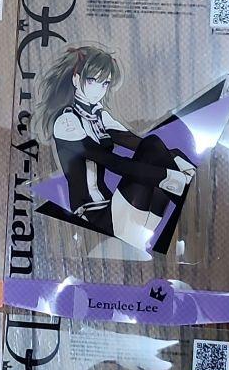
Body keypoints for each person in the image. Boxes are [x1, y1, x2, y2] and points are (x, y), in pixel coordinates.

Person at [35, 45, 196, 251]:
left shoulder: (99, 115)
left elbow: (143, 146)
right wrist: (172, 177)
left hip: (120, 212)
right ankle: (188, 195)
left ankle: (189, 190)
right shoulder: (67, 122)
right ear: (76, 79)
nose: (99, 90)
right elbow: (113, 163)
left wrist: (178, 162)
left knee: (153, 145)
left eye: (105, 83)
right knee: (160, 167)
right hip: (94, 219)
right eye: (92, 81)